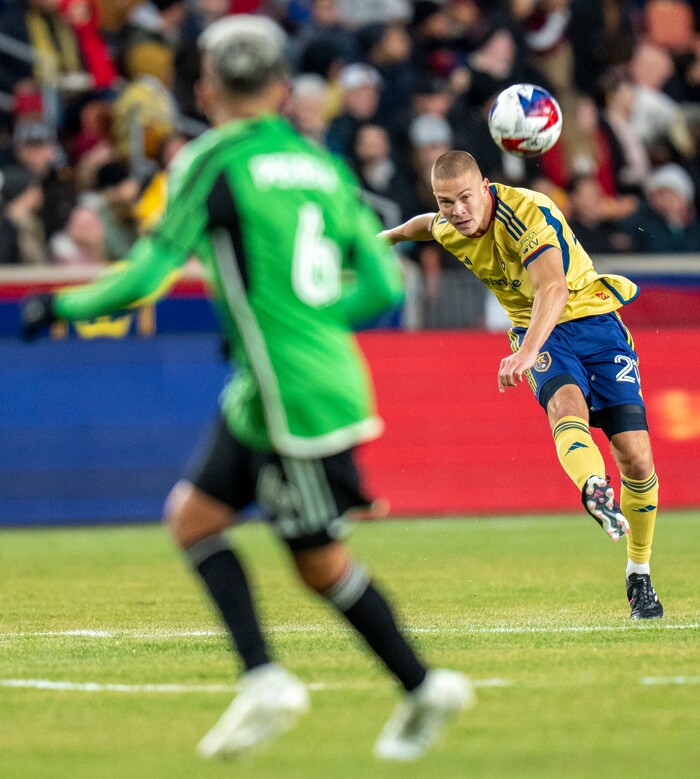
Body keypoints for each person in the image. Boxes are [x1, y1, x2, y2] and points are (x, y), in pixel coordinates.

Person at [20, 15, 473, 761]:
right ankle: (267, 677)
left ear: (204, 86)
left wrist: (59, 306)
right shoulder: (320, 165)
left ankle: (422, 685)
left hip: (288, 395)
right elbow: (385, 281)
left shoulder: (210, 160)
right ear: (283, 89)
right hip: (293, 382)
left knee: (319, 565)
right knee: (192, 516)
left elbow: (146, 272)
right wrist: (311, 318)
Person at [380, 150, 663, 621]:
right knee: (565, 406)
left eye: (466, 198)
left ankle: (639, 572)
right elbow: (421, 225)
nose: (457, 211)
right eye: (446, 201)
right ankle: (593, 484)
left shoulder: (525, 211)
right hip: (537, 335)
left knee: (636, 456)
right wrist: (380, 239)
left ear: (486, 187)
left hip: (593, 323)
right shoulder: (449, 226)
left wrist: (526, 352)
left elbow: (552, 287)